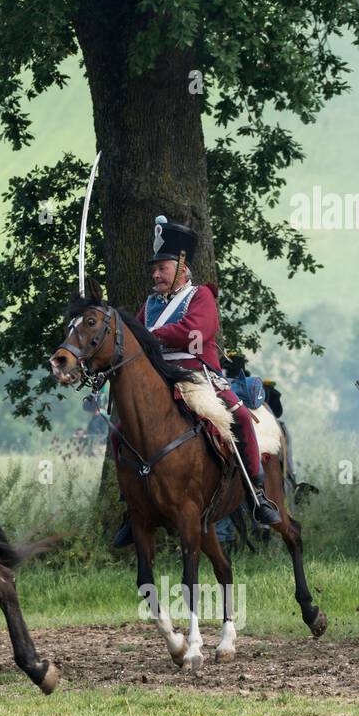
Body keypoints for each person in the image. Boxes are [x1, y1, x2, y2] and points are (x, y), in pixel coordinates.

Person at [113, 216, 281, 547]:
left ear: (181, 265)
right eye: (154, 268)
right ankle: (131, 508)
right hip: (162, 381)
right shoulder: (148, 305)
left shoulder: (200, 296)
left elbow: (194, 333)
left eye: (161, 267)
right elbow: (131, 340)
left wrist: (150, 335)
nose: (155, 274)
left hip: (200, 377)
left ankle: (256, 494)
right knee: (121, 432)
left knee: (241, 418)